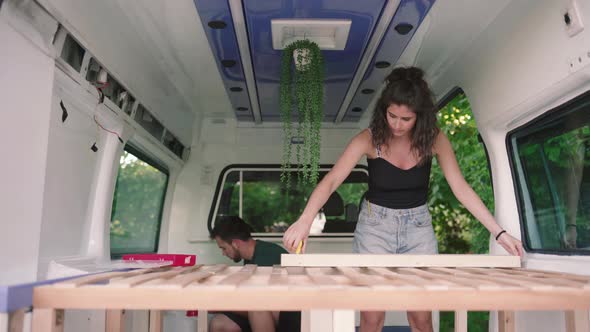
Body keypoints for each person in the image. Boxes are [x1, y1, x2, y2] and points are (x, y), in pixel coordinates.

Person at [282, 67, 523, 332]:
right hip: (374, 229)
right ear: (383, 111)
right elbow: (330, 181)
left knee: (421, 319)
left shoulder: (435, 140)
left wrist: (499, 233)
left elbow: (460, 188)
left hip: (418, 229)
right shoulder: (369, 139)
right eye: (391, 116)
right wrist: (305, 220)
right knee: (372, 319)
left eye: (405, 119)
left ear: (419, 117)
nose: (396, 124)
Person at [210, 216, 300, 332]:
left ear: (235, 244)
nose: (223, 253)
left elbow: (260, 301)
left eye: (224, 248)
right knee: (220, 323)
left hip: (290, 314)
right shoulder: (251, 256)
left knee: (256, 307)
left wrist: (220, 305)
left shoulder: (266, 256)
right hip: (268, 309)